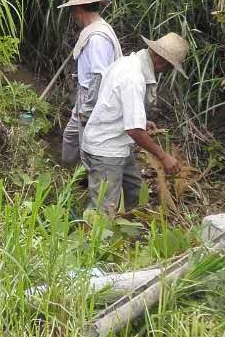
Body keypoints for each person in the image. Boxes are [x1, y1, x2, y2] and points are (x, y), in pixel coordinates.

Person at [80, 32, 190, 217]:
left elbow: (113, 103)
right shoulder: (133, 77)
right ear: (163, 61)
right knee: (104, 211)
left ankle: (128, 238)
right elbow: (134, 130)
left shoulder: (127, 62)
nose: (167, 71)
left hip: (116, 144)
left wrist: (141, 120)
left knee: (136, 194)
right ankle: (94, 241)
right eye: (170, 67)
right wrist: (164, 158)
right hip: (106, 150)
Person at [56, 0, 122, 165]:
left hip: (93, 96)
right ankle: (69, 173)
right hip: (85, 94)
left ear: (78, 9)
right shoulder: (97, 30)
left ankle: (88, 181)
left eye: (72, 10)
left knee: (88, 145)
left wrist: (88, 109)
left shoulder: (97, 38)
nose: (72, 15)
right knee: (71, 136)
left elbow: (99, 77)